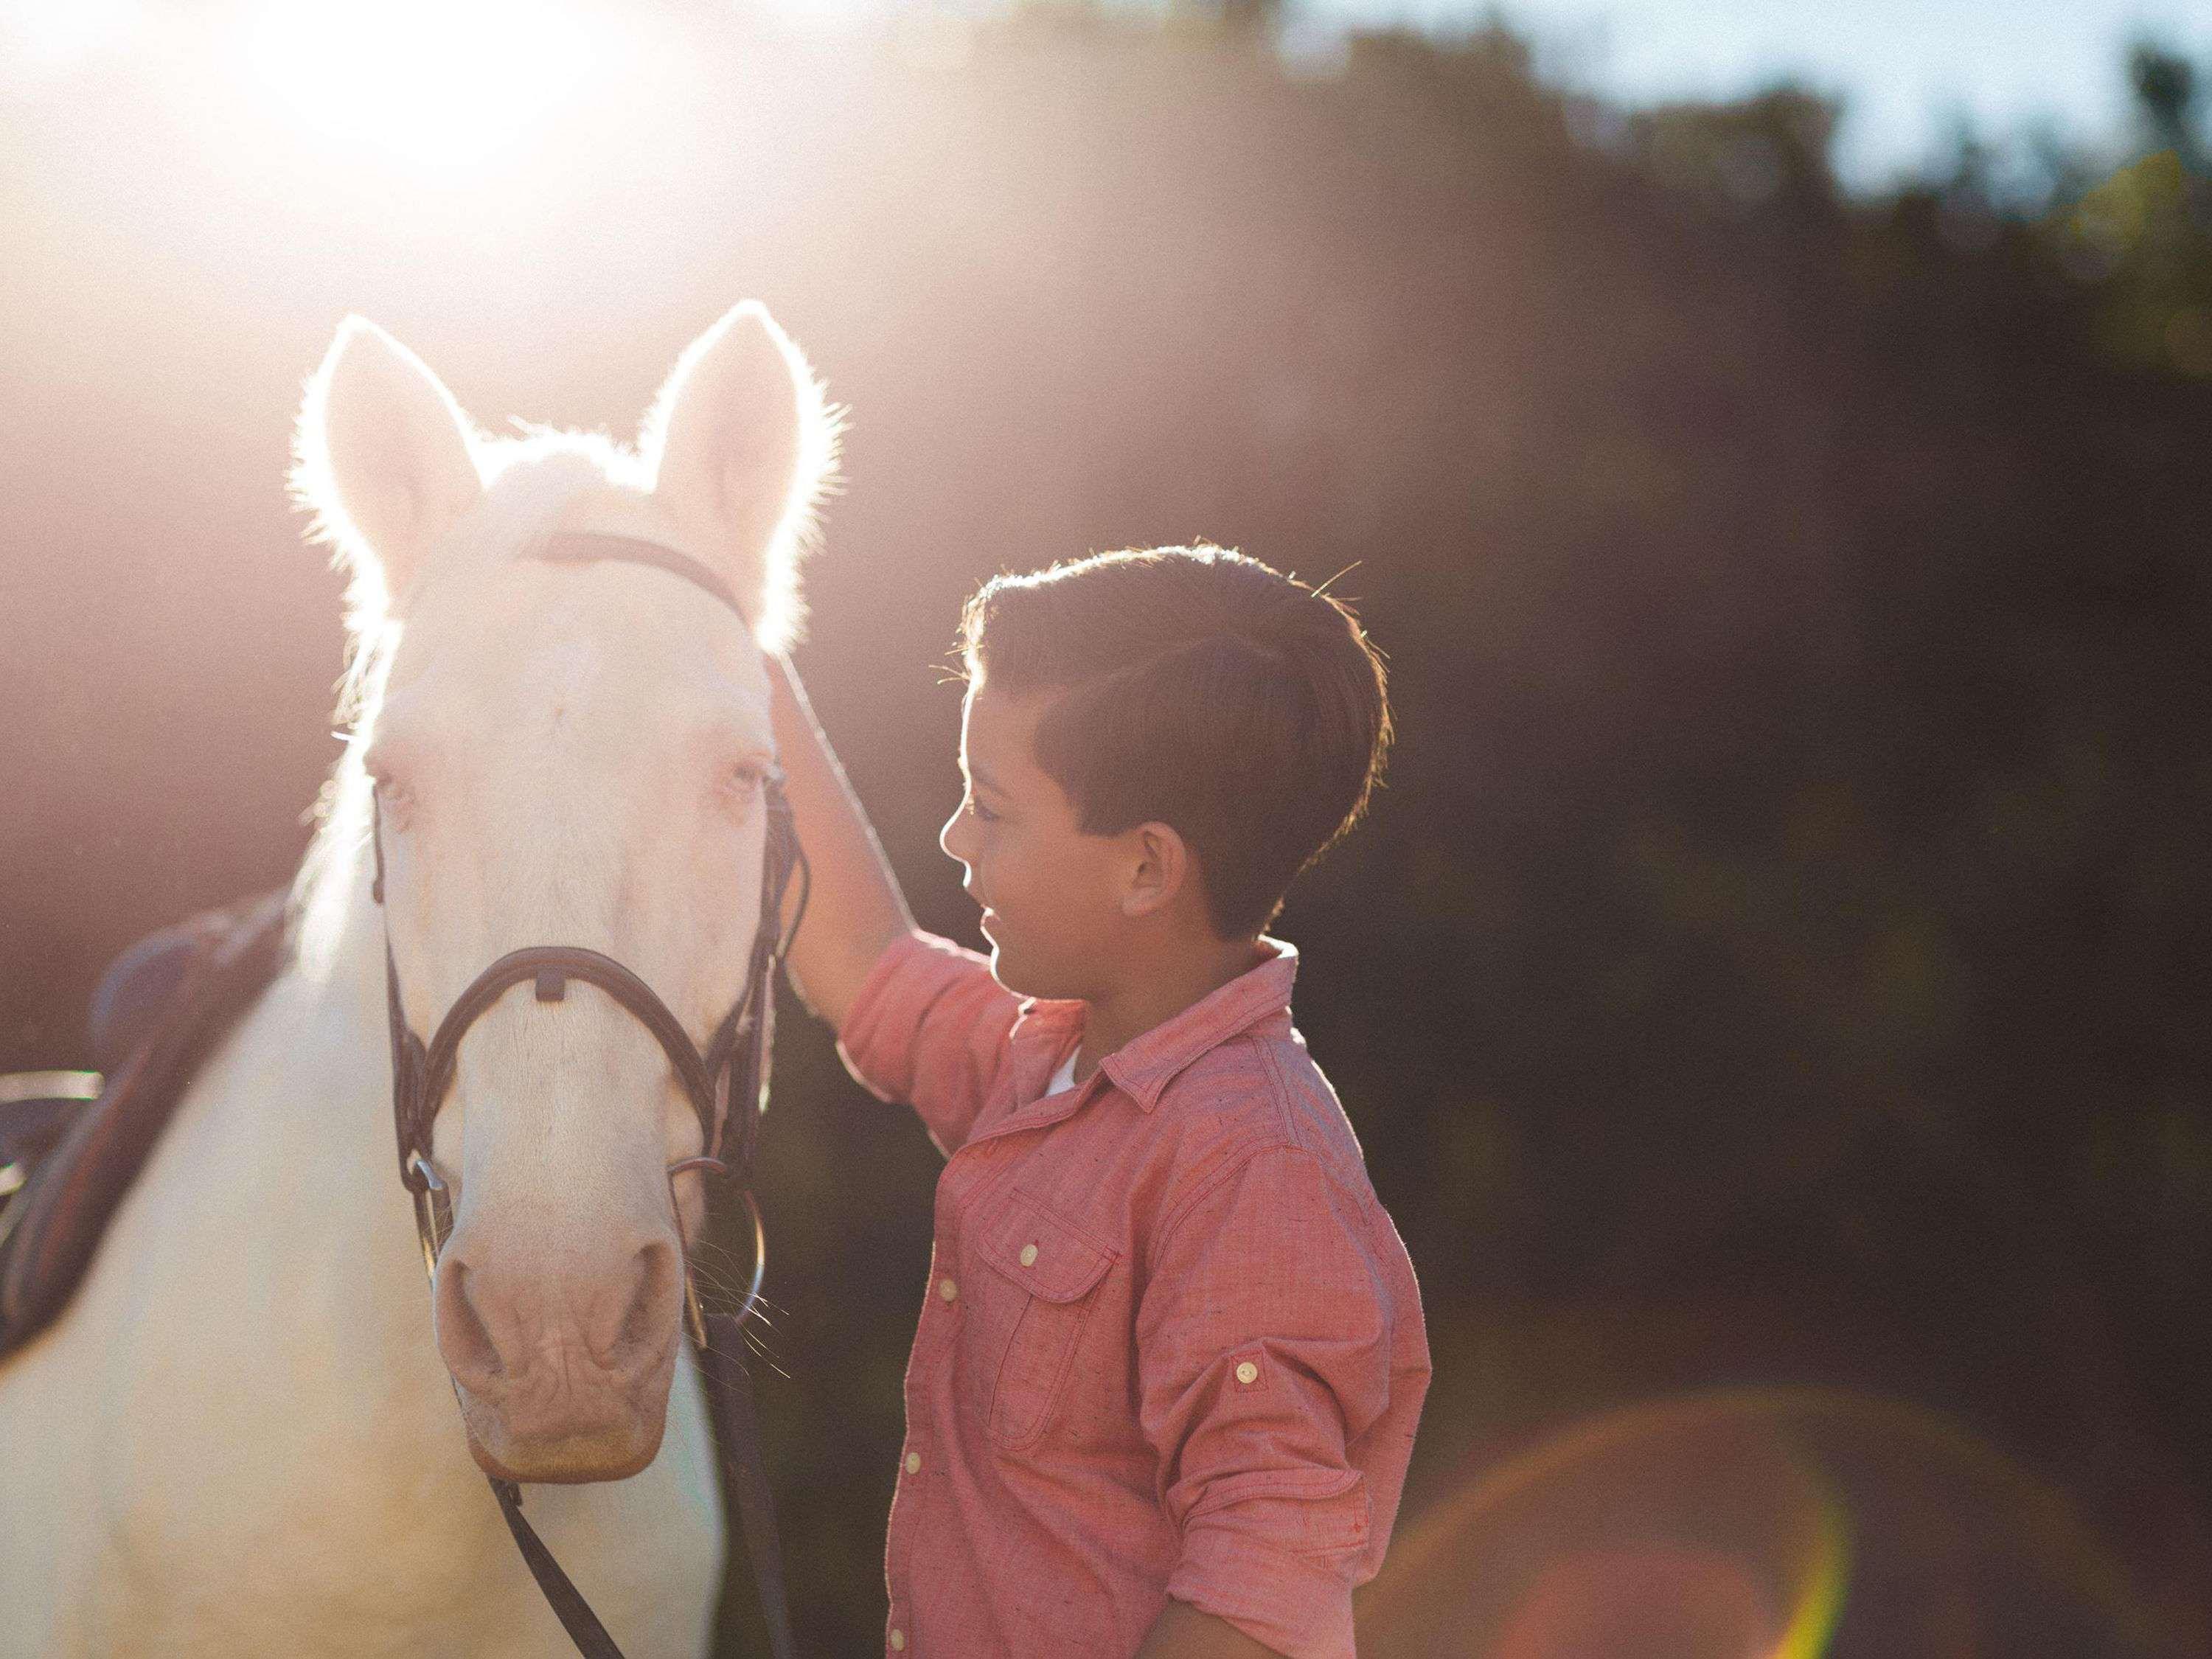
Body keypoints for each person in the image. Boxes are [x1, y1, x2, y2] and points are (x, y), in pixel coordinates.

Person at [768, 543, 1430, 1659]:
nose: (955, 840)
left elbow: (1258, 1602)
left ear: (1144, 869)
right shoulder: (1047, 1055)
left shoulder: (1254, 1166)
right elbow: (858, 958)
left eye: (993, 808)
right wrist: (743, 643)